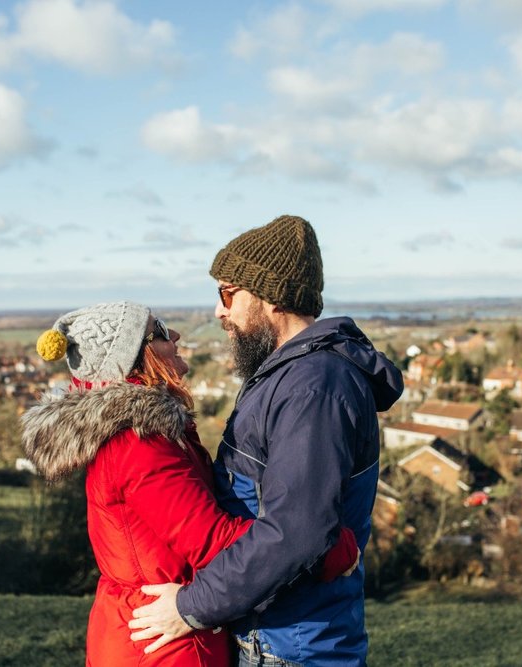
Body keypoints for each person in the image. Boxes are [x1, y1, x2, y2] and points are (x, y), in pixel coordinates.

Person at [129, 215, 404, 666]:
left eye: (227, 293)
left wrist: (192, 607)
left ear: (271, 297)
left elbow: (295, 531)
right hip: (277, 638)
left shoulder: (312, 388)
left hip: (291, 647)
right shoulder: (292, 376)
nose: (219, 311)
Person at [20, 301, 358, 667]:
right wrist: (324, 548)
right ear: (136, 356)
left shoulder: (149, 432)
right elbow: (210, 541)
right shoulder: (137, 443)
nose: (176, 335)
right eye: (161, 330)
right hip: (164, 647)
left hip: (154, 634)